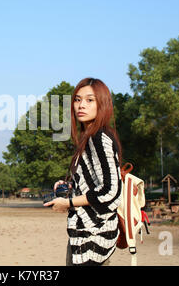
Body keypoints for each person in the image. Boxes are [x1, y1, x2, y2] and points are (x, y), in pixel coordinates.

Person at [44, 77, 123, 266]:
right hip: (83, 234)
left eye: (90, 100)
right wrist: (70, 187)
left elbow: (111, 190)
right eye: (77, 99)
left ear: (102, 104)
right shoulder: (88, 137)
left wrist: (68, 202)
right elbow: (95, 182)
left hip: (94, 236)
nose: (81, 105)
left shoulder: (99, 137)